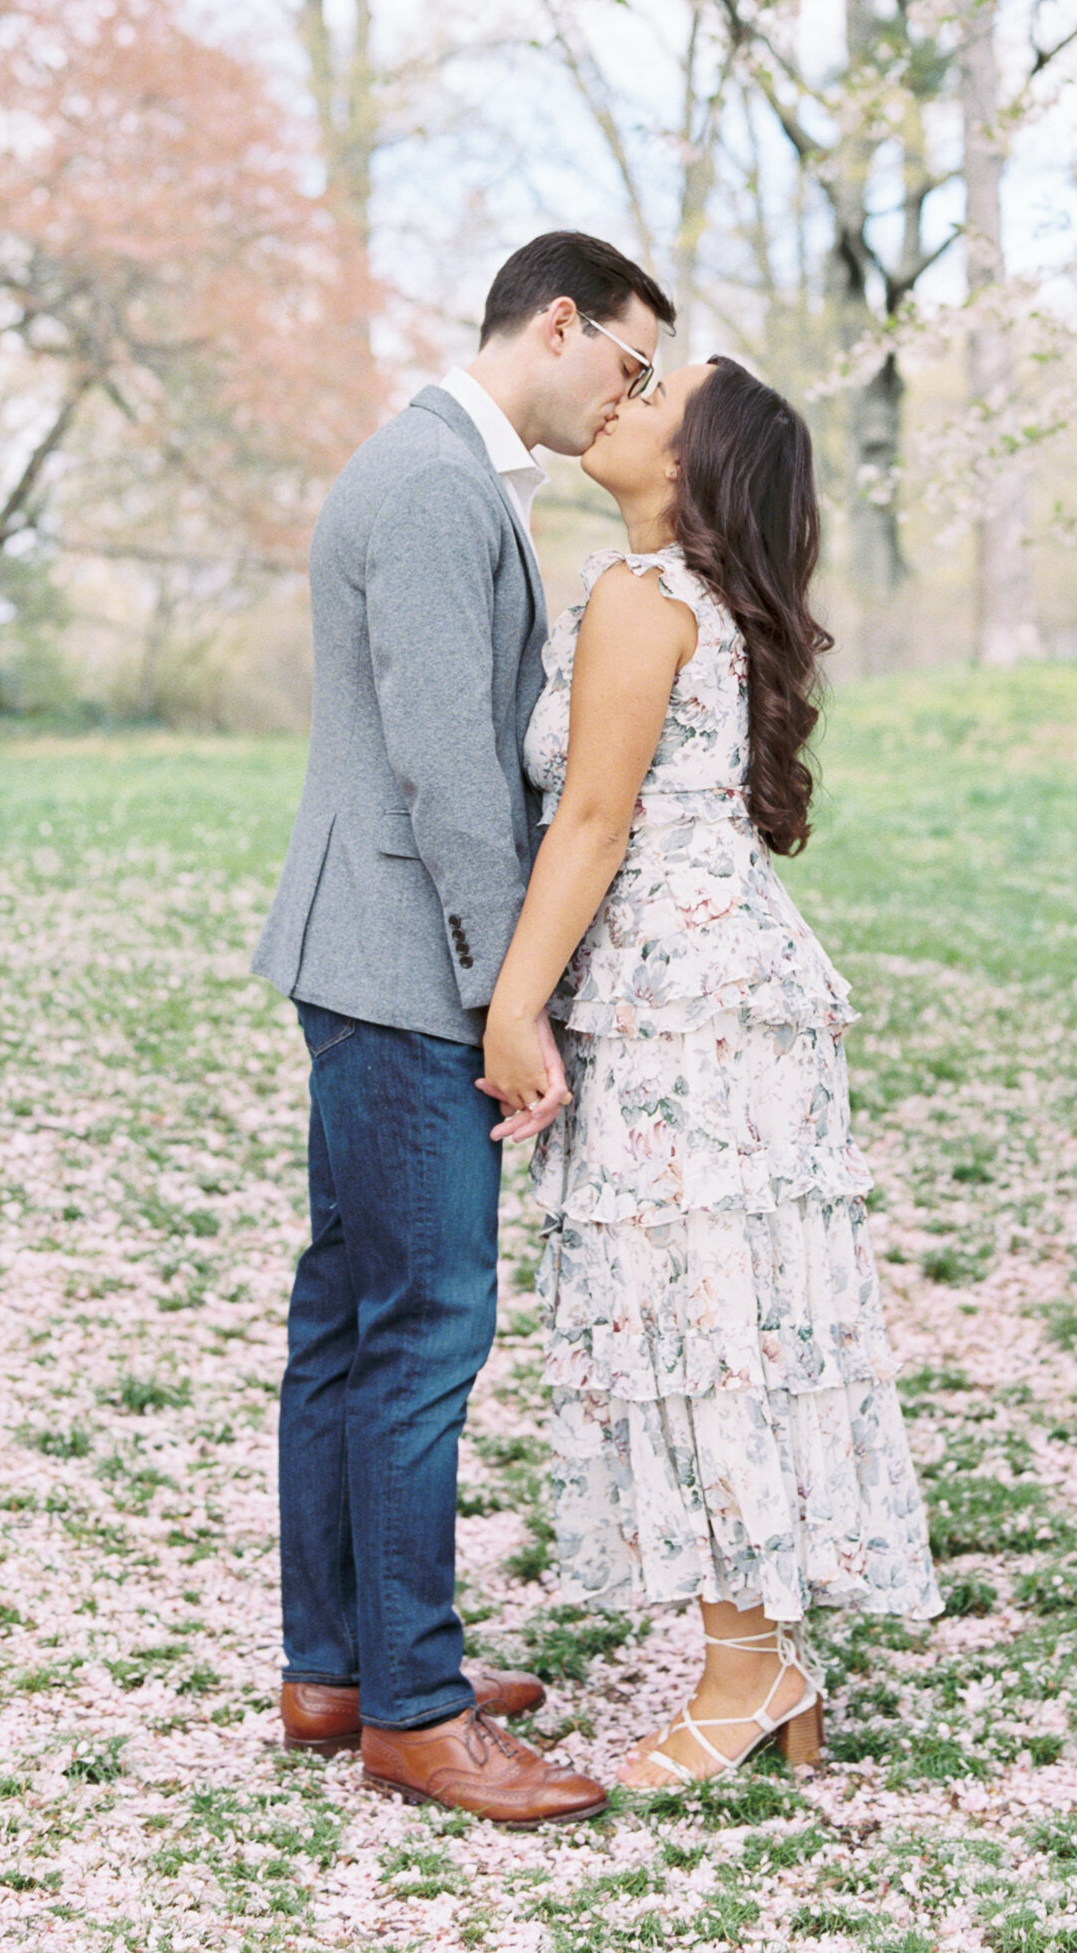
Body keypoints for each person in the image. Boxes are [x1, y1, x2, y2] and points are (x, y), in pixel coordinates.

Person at [252, 231, 676, 1825]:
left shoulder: (427, 467)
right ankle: (414, 1711)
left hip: (357, 950)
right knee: (423, 1328)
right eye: (628, 362)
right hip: (402, 969)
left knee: (351, 1322)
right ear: (557, 323)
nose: (630, 394)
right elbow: (447, 774)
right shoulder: (437, 487)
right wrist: (512, 999)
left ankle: (339, 1666)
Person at [479, 356, 943, 1786]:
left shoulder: (642, 599)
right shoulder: (691, 602)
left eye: (655, 392)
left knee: (703, 1320)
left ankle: (751, 1668)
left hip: (684, 1004)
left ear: (696, 463)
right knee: (726, 1317)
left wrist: (513, 1007)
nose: (618, 395)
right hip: (722, 984)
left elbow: (597, 819)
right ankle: (763, 1660)